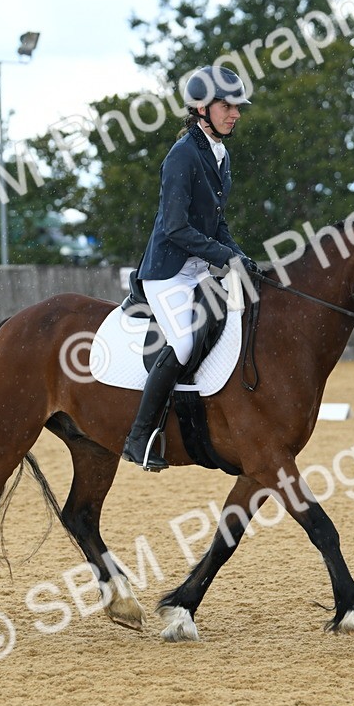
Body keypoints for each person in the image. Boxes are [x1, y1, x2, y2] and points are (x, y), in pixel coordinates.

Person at [121, 65, 260, 470]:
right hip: (168, 270)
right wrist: (225, 258)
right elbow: (175, 227)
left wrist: (239, 256)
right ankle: (138, 437)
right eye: (226, 105)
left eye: (238, 107)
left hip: (198, 268)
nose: (235, 113)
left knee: (235, 317)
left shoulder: (220, 153)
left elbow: (217, 223)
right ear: (201, 107)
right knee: (183, 343)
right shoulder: (182, 156)